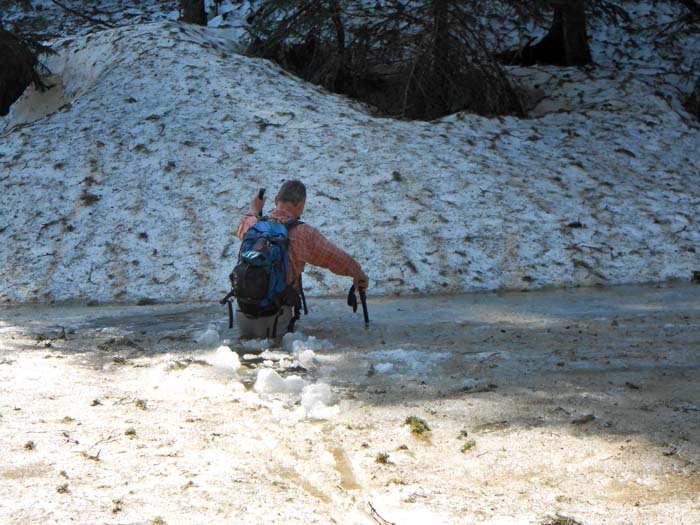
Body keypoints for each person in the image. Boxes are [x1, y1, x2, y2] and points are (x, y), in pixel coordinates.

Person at [234, 180, 369, 339]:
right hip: (276, 317)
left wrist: (254, 209)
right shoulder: (304, 233)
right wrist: (358, 274)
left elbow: (243, 224)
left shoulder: (253, 225)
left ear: (276, 200)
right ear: (301, 203)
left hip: (243, 313)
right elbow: (335, 258)